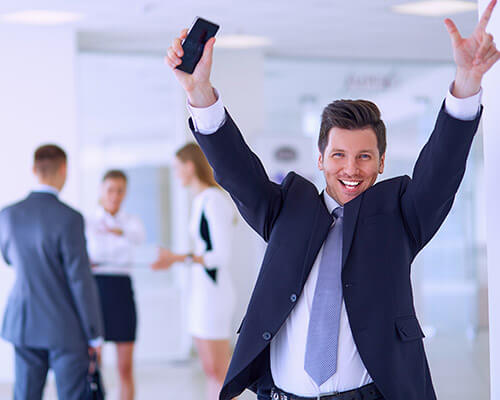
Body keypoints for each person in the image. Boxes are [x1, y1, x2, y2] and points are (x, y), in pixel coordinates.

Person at [164, 2, 500, 399]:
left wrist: (466, 84)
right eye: (339, 155)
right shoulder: (285, 209)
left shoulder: (400, 217)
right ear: (320, 159)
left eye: (364, 157)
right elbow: (236, 171)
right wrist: (199, 92)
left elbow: (440, 172)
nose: (351, 169)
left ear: (381, 162)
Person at [0, 144, 104, 400]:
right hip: (65, 325)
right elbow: (80, 280)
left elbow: (9, 259)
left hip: (24, 322)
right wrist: (94, 333)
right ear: (64, 169)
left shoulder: (8, 215)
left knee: (25, 395)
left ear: (34, 170)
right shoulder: (70, 218)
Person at [152, 143, 236, 400]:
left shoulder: (213, 200)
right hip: (203, 294)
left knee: (219, 372)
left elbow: (220, 256)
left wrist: (176, 258)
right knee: (211, 371)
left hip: (214, 296)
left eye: (177, 167)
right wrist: (176, 259)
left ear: (189, 166)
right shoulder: (201, 201)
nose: (176, 174)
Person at [85, 169, 146, 400]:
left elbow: (139, 237)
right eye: (110, 190)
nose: (115, 195)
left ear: (126, 193)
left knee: (125, 367)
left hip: (122, 292)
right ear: (101, 190)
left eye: (120, 191)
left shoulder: (132, 222)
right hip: (95, 291)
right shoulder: (88, 222)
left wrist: (119, 230)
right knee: (93, 365)